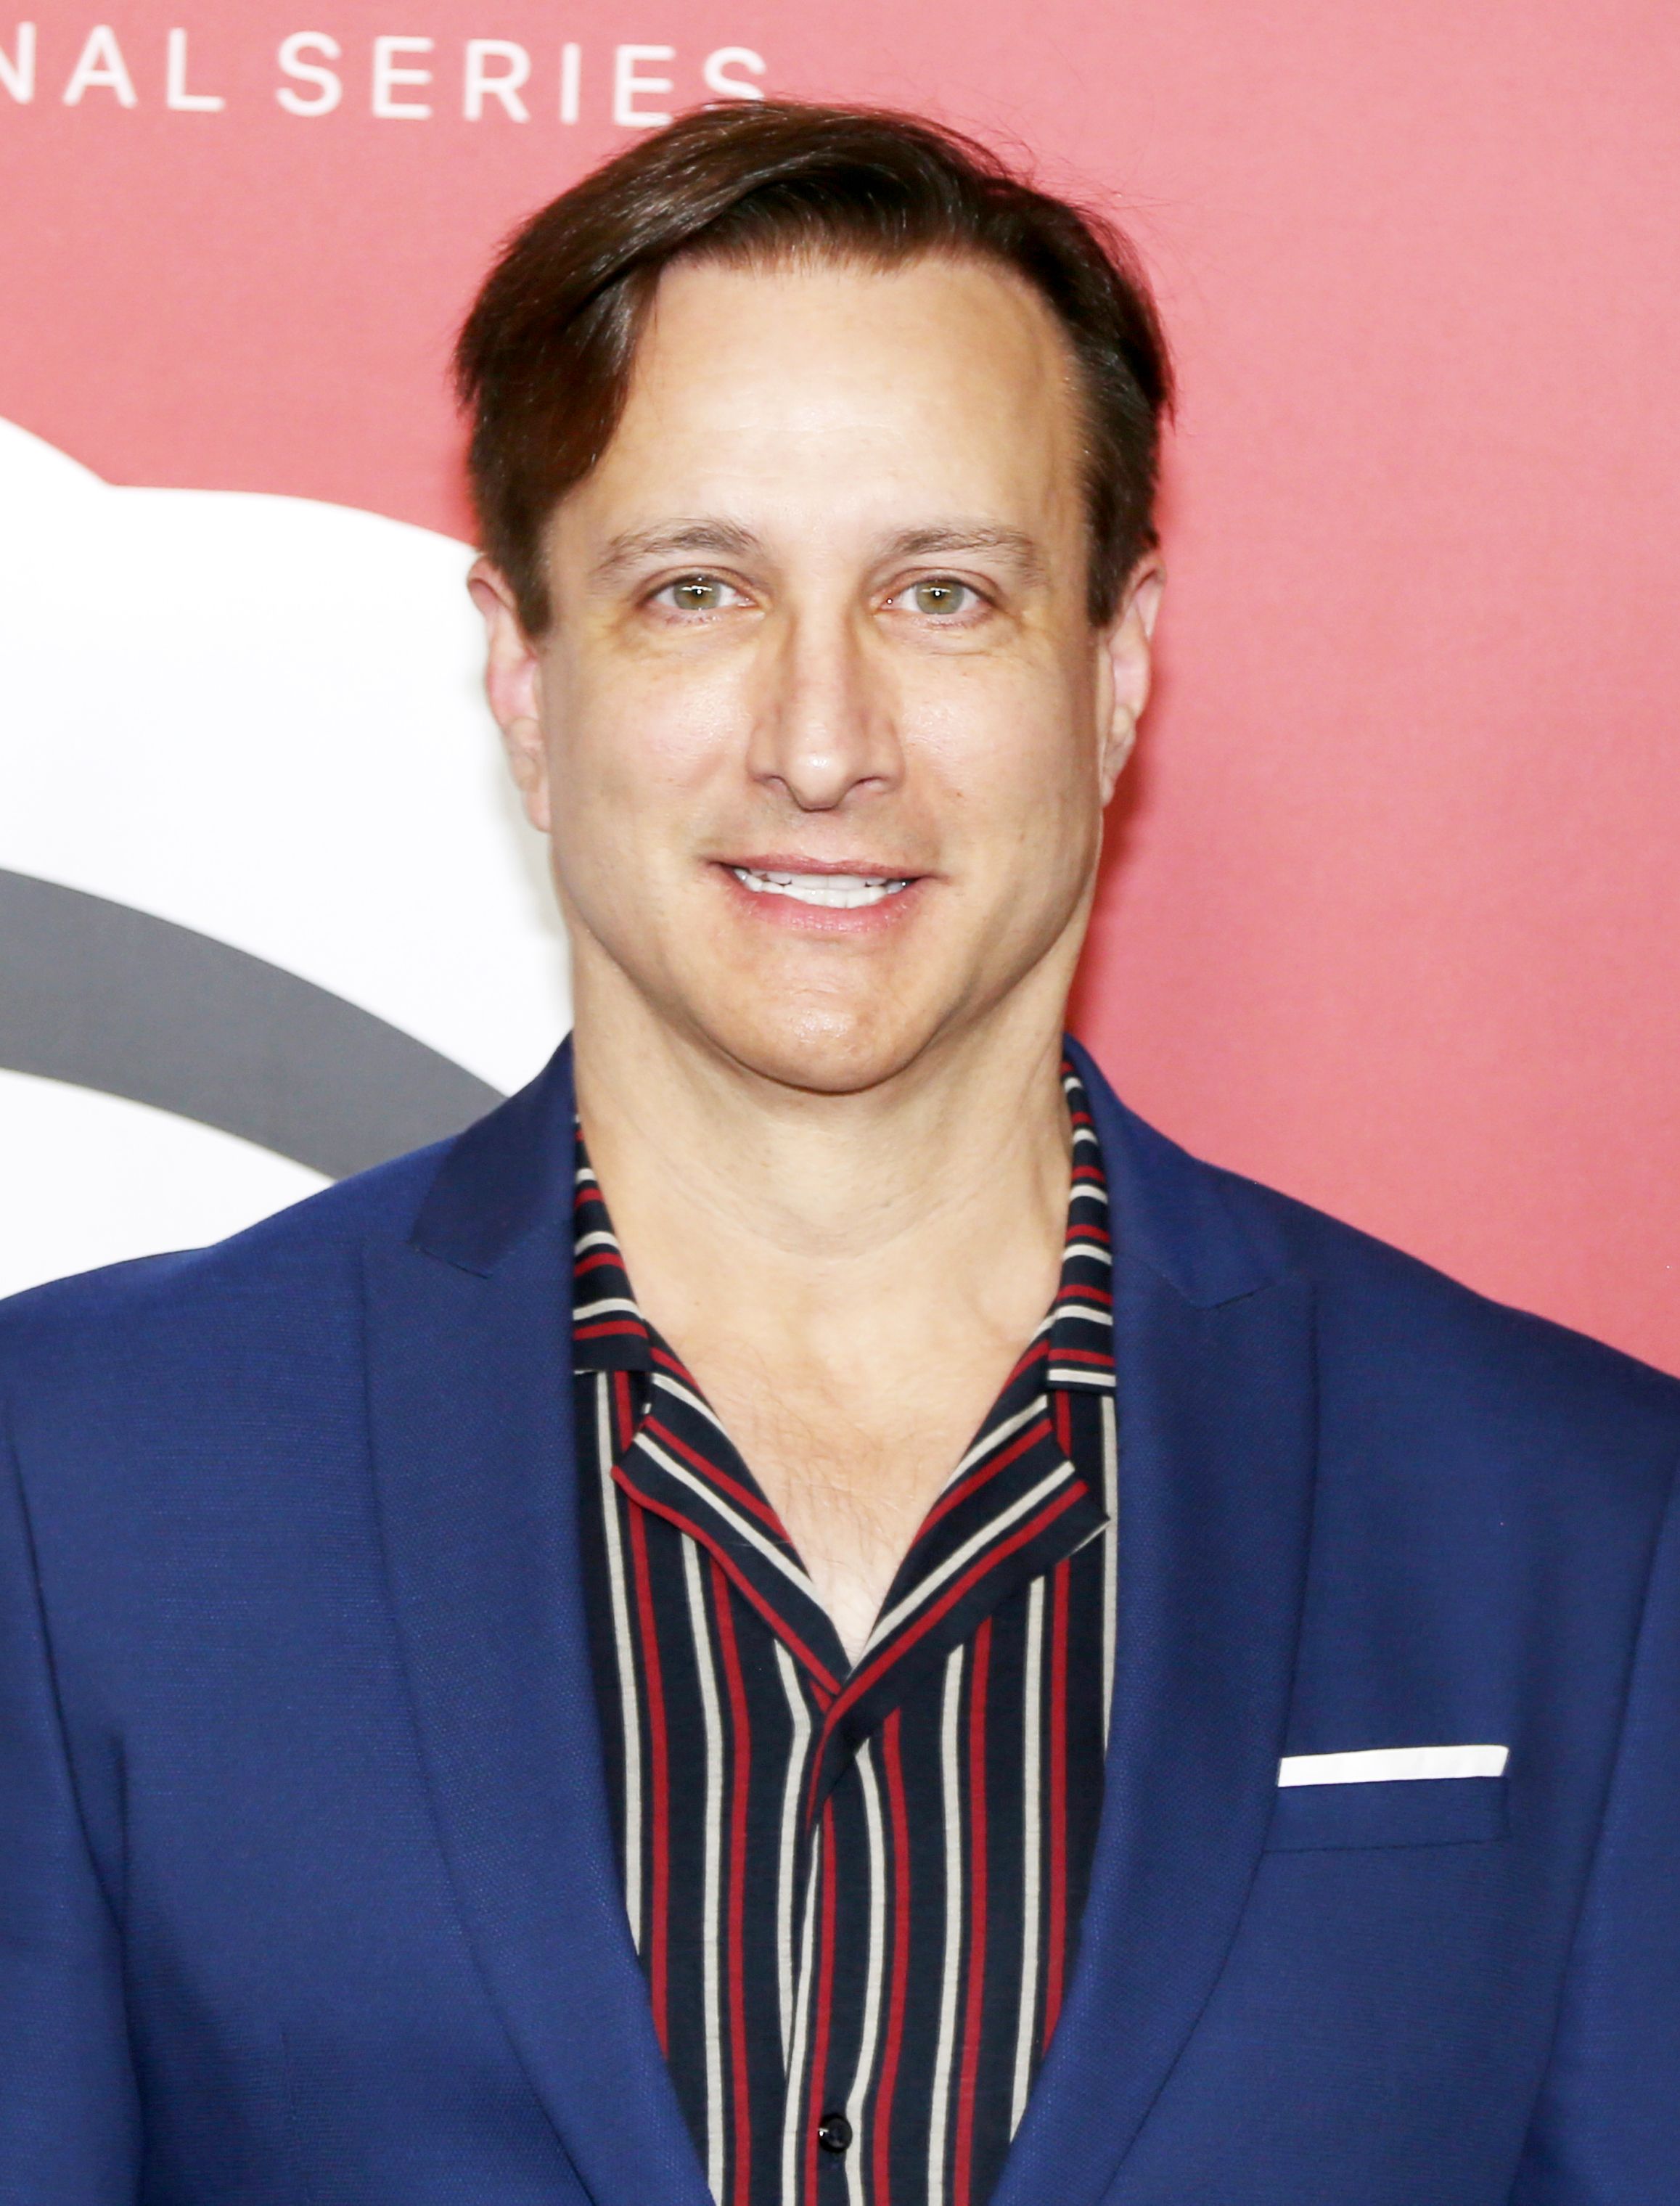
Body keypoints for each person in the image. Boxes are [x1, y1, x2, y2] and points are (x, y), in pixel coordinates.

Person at [1, 98, 1676, 2206]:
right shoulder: (74, 1489)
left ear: (1117, 666)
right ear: (524, 678)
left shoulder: (1576, 1529)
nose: (818, 738)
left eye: (942, 597)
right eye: (694, 590)